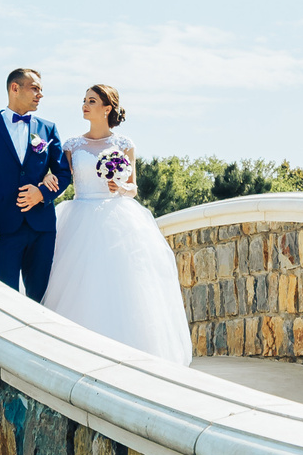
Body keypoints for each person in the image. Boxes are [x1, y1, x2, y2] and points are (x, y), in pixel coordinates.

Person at [37, 84, 193, 367]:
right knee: (77, 282)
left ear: (107, 108)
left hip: (116, 216)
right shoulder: (71, 145)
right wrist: (47, 180)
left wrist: (120, 186)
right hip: (79, 214)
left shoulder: (123, 144)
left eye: (92, 101)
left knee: (122, 284)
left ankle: (128, 355)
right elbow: (61, 179)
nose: (84, 105)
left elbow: (133, 188)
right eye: (84, 100)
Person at [0, 68, 64, 300]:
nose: (40, 95)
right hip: (2, 227)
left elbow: (63, 173)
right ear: (14, 88)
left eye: (41, 90)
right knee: (6, 298)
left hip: (42, 228)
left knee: (41, 298)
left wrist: (42, 193)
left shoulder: (48, 128)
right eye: (35, 88)